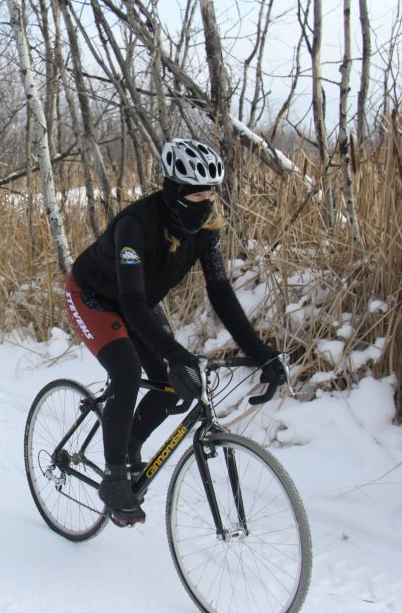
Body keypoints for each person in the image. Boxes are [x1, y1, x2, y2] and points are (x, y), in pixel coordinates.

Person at [63, 139, 287, 525]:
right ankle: (114, 479)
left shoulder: (206, 230)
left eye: (212, 193)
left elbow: (221, 293)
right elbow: (132, 305)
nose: (207, 202)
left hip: (139, 301)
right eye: (198, 194)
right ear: (175, 192)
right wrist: (177, 355)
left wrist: (260, 351)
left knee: (172, 386)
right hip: (93, 298)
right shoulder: (135, 226)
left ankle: (130, 446)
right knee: (127, 372)